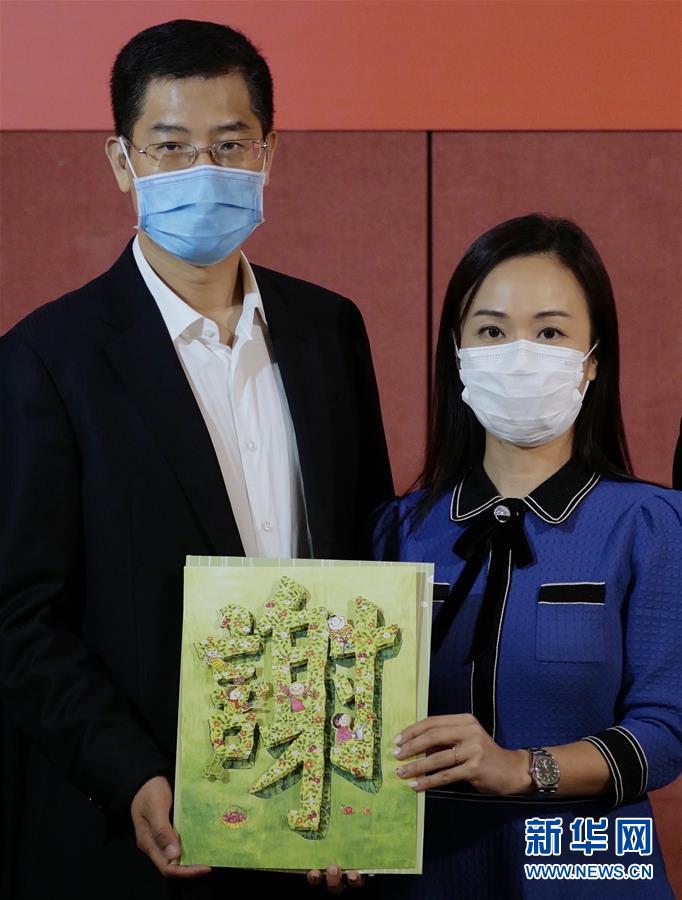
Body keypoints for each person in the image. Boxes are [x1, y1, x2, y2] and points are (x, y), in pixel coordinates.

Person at [0, 19, 392, 900]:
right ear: (122, 161)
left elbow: (366, 556)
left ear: (268, 154)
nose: (202, 170)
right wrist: (130, 772)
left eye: (230, 144)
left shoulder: (330, 330)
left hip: (312, 823)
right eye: (171, 147)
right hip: (139, 829)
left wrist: (356, 775)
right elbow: (20, 617)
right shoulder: (47, 360)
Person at [367, 214, 682, 898]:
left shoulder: (651, 524)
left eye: (549, 333)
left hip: (585, 867)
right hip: (423, 872)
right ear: (457, 355)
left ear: (592, 360)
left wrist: (521, 769)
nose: (518, 354)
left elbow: (666, 731)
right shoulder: (396, 532)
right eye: (491, 331)